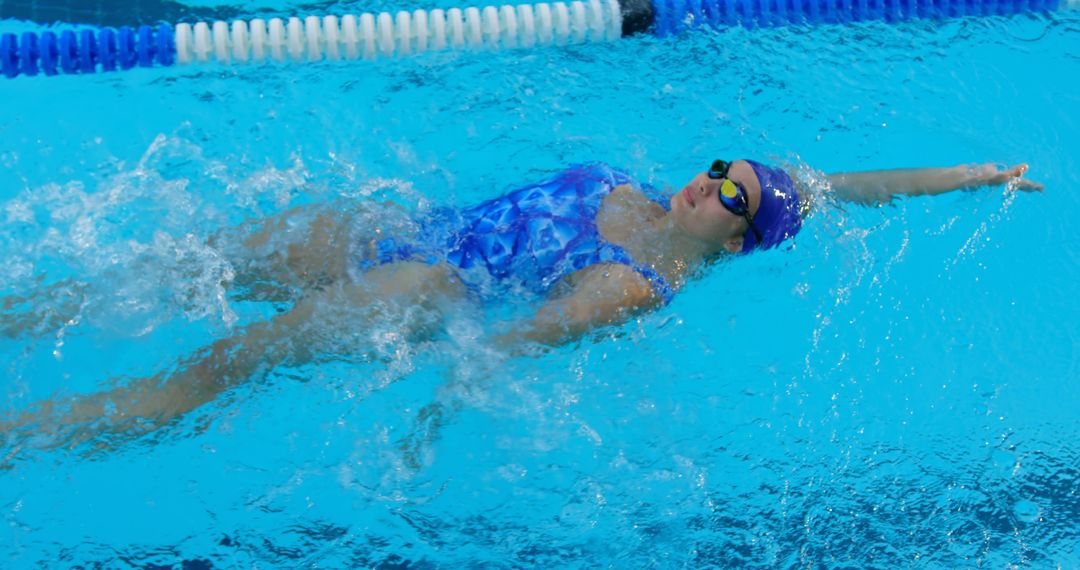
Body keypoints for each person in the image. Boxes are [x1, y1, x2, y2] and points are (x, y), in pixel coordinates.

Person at [1, 158, 1041, 454]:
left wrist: (434, 413)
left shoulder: (634, 284)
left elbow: (514, 344)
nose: (713, 179)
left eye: (732, 195)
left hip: (415, 288)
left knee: (218, 364)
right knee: (148, 270)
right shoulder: (647, 193)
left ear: (736, 237)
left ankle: (24, 433)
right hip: (388, 228)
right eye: (723, 166)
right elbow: (835, 189)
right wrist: (976, 173)